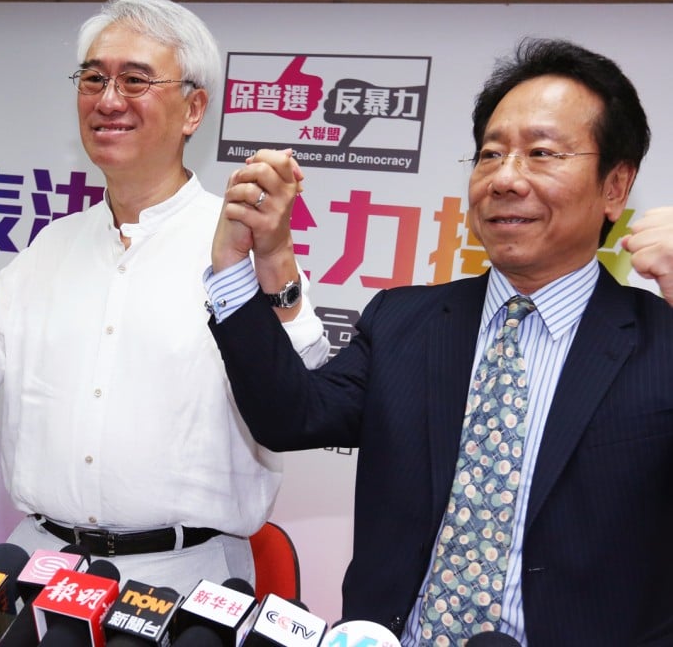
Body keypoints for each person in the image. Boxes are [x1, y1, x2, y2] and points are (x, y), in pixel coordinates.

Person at [0, 0, 328, 594]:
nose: (108, 99)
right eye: (93, 78)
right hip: (41, 571)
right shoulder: (53, 246)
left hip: (185, 580)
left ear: (194, 108)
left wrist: (274, 258)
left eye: (135, 80)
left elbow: (304, 388)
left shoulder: (239, 241)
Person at [206, 38, 673, 645]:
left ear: (615, 186)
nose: (505, 178)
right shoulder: (405, 320)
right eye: (490, 154)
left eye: (541, 154)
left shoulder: (659, 339)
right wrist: (235, 268)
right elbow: (290, 416)